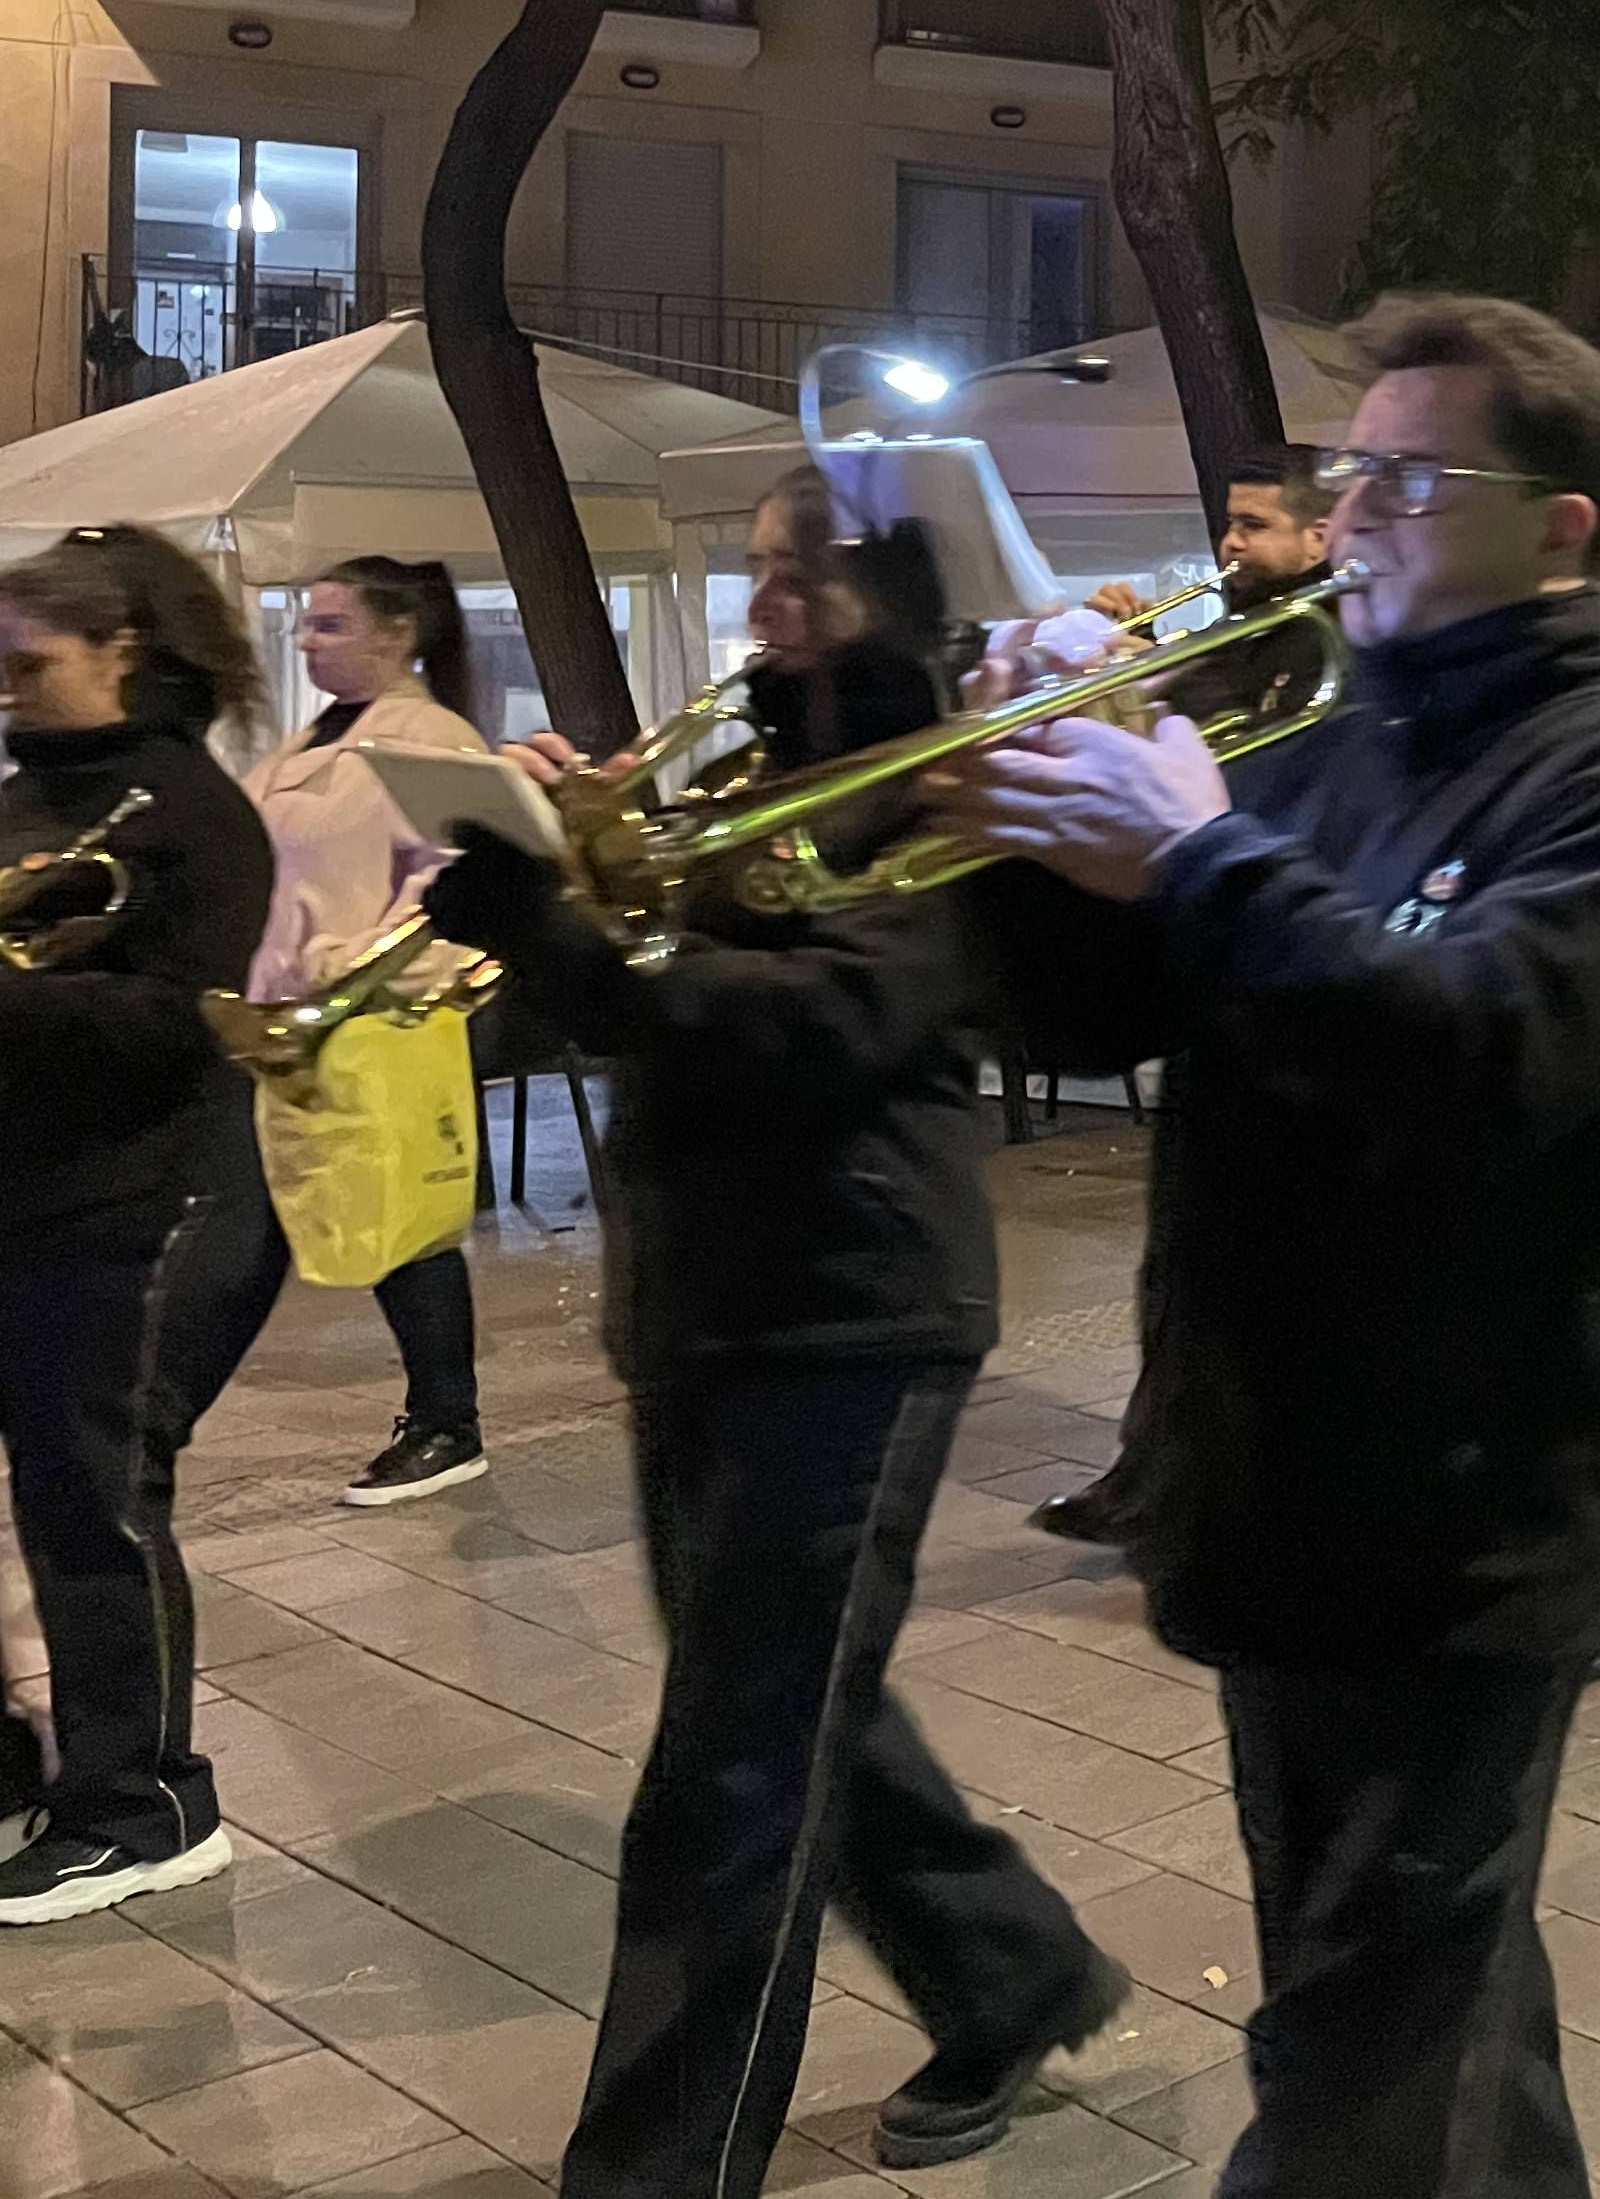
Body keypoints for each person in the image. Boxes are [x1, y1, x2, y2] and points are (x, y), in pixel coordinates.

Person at [935, 293, 1600, 2196]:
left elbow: (1477, 1058)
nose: (1352, 506)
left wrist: (1203, 853)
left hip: (1468, 1509)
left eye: (1407, 473)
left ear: (1556, 525)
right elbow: (1099, 1014)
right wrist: (1011, 807)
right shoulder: (1307, 732)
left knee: (1357, 2054)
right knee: (1412, 1985)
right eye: (1347, 469)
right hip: (1280, 1482)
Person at [422, 471, 1116, 2189]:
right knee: (795, 1704)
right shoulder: (739, 769)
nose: (772, 606)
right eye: (759, 575)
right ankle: (1008, 1963)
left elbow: (823, 1019)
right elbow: (654, 985)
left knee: (733, 1767)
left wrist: (572, 938)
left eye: (809, 574)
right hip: (708, 1291)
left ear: (898, 583)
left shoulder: (950, 772)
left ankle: (658, 2164)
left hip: (856, 1305)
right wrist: (560, 860)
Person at [0, 528, 276, 1925]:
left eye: (29, 659)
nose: (6, 684)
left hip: (148, 1202)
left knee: (94, 1495)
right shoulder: (28, 794)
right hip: (27, 1192)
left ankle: (148, 1803)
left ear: (124, 651)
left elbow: (180, 1027)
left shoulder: (190, 810)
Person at [1033, 444, 1339, 1546]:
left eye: (1256, 525)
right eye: (1230, 523)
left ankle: (1223, 1476)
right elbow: (1162, 732)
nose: (1231, 543)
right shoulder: (1243, 637)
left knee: (1249, 1259)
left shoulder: (1322, 647)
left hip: (1284, 959)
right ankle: (1155, 1467)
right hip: (1213, 963)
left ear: (1320, 539)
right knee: (1181, 1247)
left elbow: (1229, 779)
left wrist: (1143, 683)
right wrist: (1126, 658)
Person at [234, 557, 497, 1506]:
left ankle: (448, 1422)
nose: (308, 641)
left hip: (382, 1018)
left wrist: (360, 963)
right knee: (268, 1212)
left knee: (404, 1224)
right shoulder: (304, 743)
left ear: (399, 633)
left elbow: (458, 883)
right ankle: (157, 1408)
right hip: (290, 1021)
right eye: (307, 625)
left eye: (331, 625)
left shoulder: (434, 740)